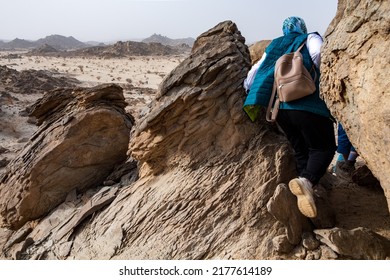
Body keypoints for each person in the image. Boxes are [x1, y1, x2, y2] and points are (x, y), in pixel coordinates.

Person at [243, 16, 336, 218]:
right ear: (302, 27)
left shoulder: (275, 44)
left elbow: (252, 76)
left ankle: (303, 197)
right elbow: (319, 54)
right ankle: (307, 182)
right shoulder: (310, 37)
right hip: (309, 105)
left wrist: (250, 90)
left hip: (281, 110)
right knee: (324, 147)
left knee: (301, 150)